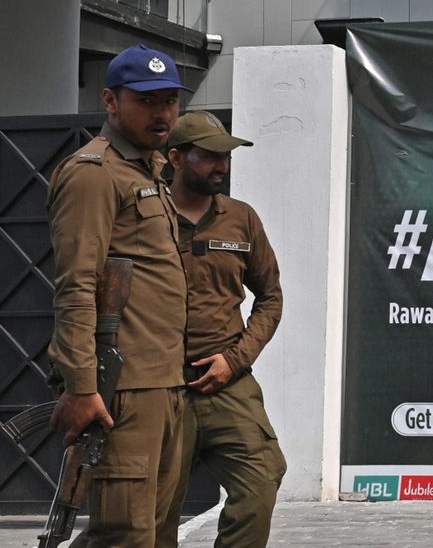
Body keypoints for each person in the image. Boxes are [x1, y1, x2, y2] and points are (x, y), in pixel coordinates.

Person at [47, 45, 188, 547]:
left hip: (165, 383)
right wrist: (83, 385)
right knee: (123, 536)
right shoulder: (94, 174)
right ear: (109, 100)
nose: (163, 112)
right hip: (123, 391)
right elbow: (76, 284)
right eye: (148, 101)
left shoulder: (149, 172)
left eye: (171, 100)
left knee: (154, 533)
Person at [155, 112, 286, 548]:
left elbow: (271, 297)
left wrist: (235, 360)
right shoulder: (145, 216)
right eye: (208, 156)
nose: (221, 166)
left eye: (225, 156)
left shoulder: (241, 218)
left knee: (261, 482)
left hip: (225, 382)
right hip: (157, 386)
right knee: (152, 511)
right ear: (175, 157)